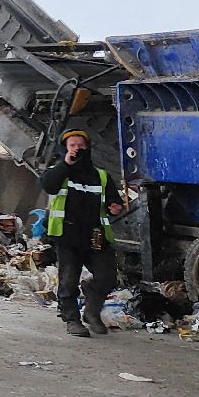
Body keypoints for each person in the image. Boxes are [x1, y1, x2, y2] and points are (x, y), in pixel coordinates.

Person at [38, 128, 126, 338]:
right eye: (72, 145)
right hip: (67, 236)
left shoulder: (101, 176)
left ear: (88, 148)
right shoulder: (58, 172)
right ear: (65, 148)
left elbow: (113, 202)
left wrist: (115, 207)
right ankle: (72, 320)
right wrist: (66, 164)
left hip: (95, 237)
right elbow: (48, 185)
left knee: (107, 277)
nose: (77, 149)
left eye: (81, 145)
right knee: (68, 280)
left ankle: (91, 311)